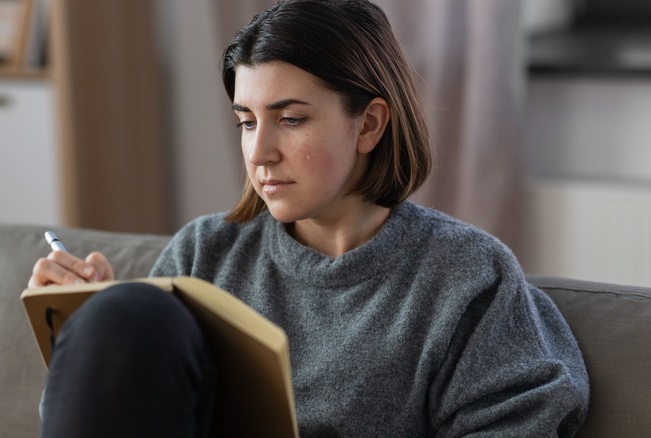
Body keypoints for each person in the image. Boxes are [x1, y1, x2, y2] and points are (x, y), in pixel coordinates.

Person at [29, 0, 589, 436]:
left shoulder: (465, 276)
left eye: (290, 119)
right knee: (126, 313)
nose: (259, 152)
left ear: (369, 125)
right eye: (246, 121)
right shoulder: (204, 253)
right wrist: (92, 330)